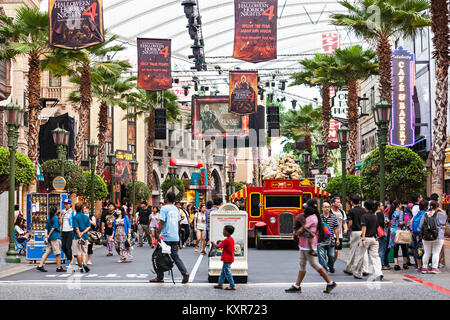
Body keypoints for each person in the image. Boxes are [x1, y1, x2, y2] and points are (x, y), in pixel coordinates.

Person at [286, 199, 337, 294]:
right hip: (303, 245)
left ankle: (330, 282)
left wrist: (296, 233)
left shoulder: (312, 218)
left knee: (314, 264)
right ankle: (297, 286)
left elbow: (303, 228)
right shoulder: (313, 216)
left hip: (308, 246)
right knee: (302, 264)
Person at [150, 192, 190, 283]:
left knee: (156, 256)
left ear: (167, 198)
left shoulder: (164, 208)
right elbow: (178, 223)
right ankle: (184, 273)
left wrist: (158, 234)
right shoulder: (176, 209)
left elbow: (162, 222)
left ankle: (160, 277)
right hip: (175, 236)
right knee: (175, 256)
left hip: (165, 237)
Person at [353, 200, 383, 280]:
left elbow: (364, 227)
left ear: (365, 207)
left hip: (366, 238)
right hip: (374, 239)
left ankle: (358, 273)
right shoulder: (375, 216)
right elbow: (377, 227)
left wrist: (363, 239)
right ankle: (378, 273)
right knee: (375, 257)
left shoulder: (364, 216)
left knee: (361, 256)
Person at [419, 200, 447, 274]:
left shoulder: (425, 214)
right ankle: (434, 268)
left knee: (427, 253)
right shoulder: (440, 214)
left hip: (426, 236)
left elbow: (420, 225)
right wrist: (441, 211)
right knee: (436, 253)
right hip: (438, 235)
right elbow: (444, 221)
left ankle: (424, 268)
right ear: (437, 206)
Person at [344, 195, 368, 275]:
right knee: (364, 251)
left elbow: (350, 222)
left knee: (353, 250)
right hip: (363, 231)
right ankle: (365, 269)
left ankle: (349, 268)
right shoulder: (364, 210)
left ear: (351, 202)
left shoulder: (351, 211)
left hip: (355, 232)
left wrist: (347, 228)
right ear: (359, 202)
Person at [36, 206, 66, 272]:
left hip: (50, 239)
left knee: (47, 252)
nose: (59, 210)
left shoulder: (49, 218)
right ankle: (58, 268)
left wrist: (46, 236)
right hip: (55, 237)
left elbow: (46, 228)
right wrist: (48, 235)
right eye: (58, 209)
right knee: (58, 253)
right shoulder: (55, 218)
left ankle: (40, 265)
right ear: (55, 211)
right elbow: (54, 228)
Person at [213, 225, 236, 290]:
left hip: (227, 258)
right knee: (223, 271)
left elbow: (218, 246)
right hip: (229, 258)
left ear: (227, 232)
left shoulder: (226, 240)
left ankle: (232, 285)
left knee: (227, 272)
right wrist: (222, 241)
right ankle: (220, 284)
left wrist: (213, 243)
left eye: (224, 231)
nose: (223, 232)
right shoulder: (231, 239)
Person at [318, 202, 339, 273]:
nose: (327, 208)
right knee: (322, 256)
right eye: (325, 207)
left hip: (331, 239)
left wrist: (338, 239)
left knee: (331, 255)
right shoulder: (319, 217)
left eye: (328, 207)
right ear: (322, 208)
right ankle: (324, 270)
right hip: (321, 240)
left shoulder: (333, 217)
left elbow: (336, 228)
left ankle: (330, 266)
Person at [388, 200, 409, 270]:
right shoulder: (400, 212)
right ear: (398, 205)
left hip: (393, 231)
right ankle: (405, 263)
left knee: (395, 248)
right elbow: (400, 222)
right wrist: (405, 223)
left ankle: (396, 264)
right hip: (399, 231)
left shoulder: (392, 212)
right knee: (403, 247)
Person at [72, 202, 91, 273]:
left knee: (78, 253)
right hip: (85, 236)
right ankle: (84, 264)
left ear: (75, 209)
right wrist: (83, 233)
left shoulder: (75, 217)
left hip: (76, 237)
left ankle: (80, 267)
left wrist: (79, 236)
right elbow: (89, 226)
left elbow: (76, 228)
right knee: (84, 252)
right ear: (82, 208)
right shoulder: (86, 217)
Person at [330, 197, 347, 263]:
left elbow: (344, 222)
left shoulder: (342, 212)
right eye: (337, 202)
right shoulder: (329, 212)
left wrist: (345, 229)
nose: (339, 203)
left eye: (339, 202)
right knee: (330, 251)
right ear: (333, 203)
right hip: (330, 234)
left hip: (339, 234)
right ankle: (328, 265)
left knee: (336, 252)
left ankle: (331, 264)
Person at [59, 199, 75, 268]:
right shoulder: (63, 211)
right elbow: (60, 223)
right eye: (65, 204)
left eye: (67, 204)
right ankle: (70, 256)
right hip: (63, 231)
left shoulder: (73, 212)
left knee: (68, 246)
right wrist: (61, 215)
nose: (65, 205)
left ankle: (69, 261)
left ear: (70, 204)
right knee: (63, 246)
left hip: (70, 231)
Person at [374, 202, 390, 270]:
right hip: (381, 233)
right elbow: (380, 223)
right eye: (381, 205)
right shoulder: (380, 214)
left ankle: (379, 264)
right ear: (378, 207)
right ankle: (382, 264)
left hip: (376, 233)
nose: (383, 206)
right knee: (382, 249)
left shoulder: (374, 214)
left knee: (379, 249)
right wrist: (386, 222)